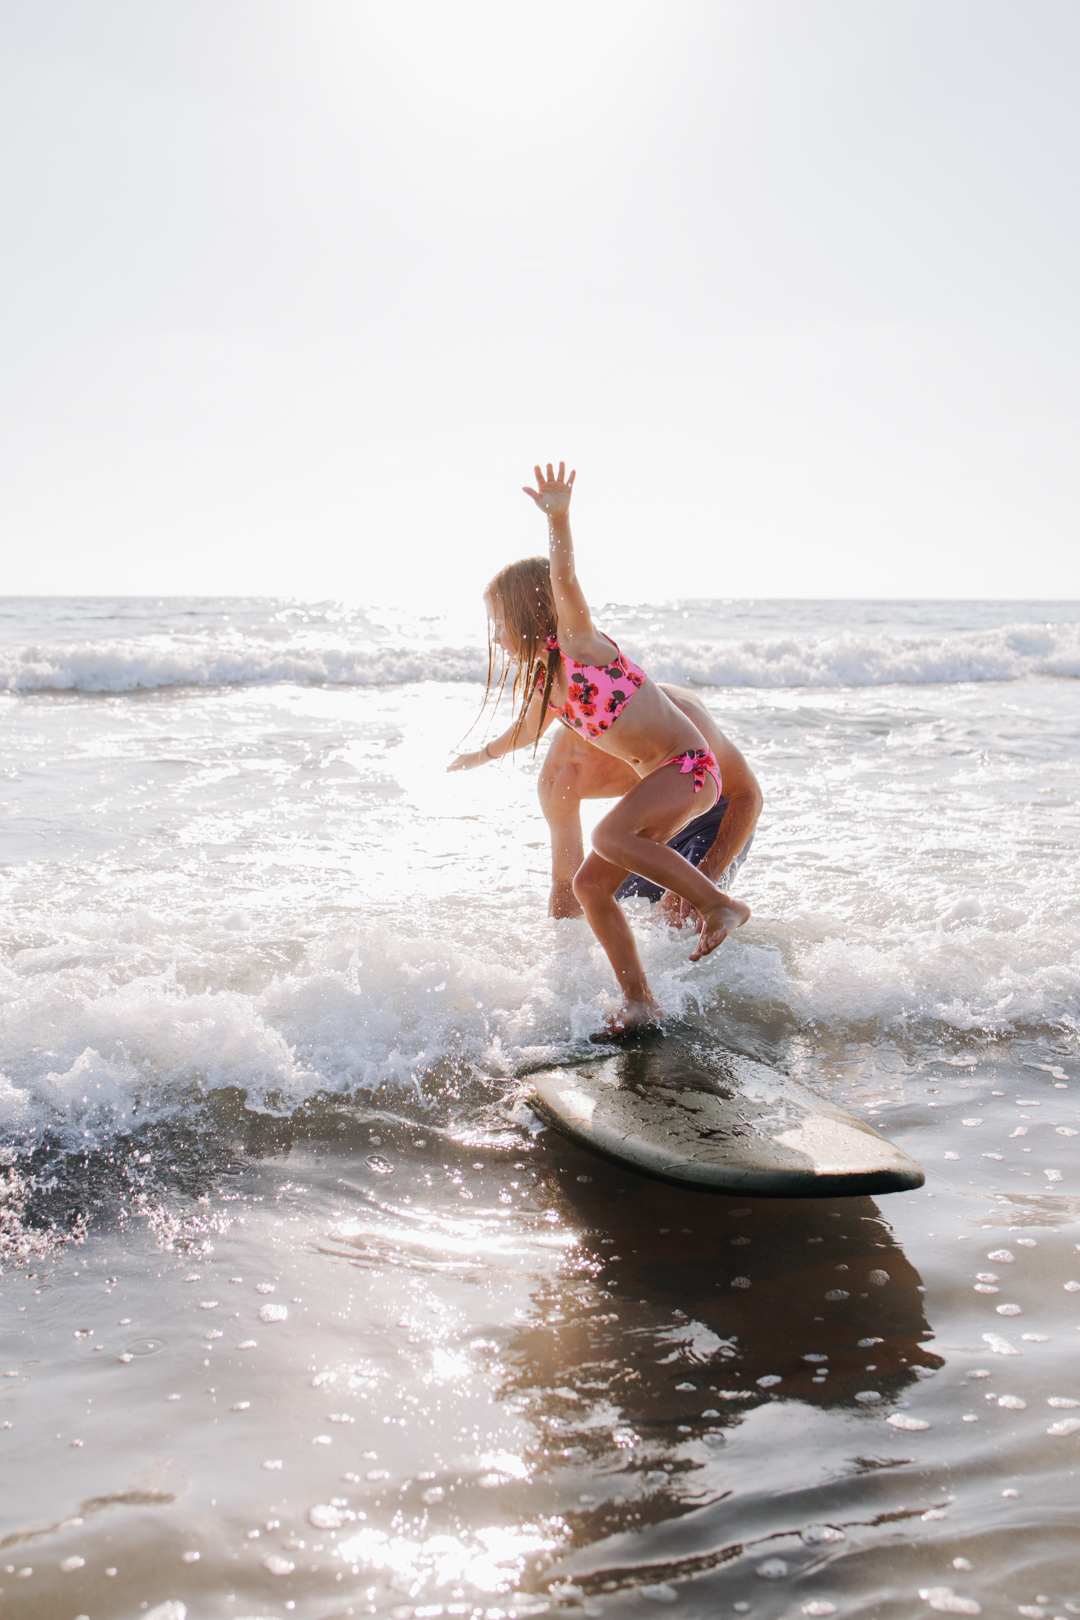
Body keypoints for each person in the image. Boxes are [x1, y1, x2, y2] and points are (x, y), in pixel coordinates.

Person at [448, 462, 752, 1032]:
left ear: (525, 615)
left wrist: (558, 518)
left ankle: (720, 904)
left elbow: (562, 580)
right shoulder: (548, 684)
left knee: (607, 835)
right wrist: (477, 757)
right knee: (590, 884)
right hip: (663, 781)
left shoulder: (582, 648)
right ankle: (641, 1002)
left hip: (688, 769)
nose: (494, 637)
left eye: (498, 623)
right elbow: (526, 733)